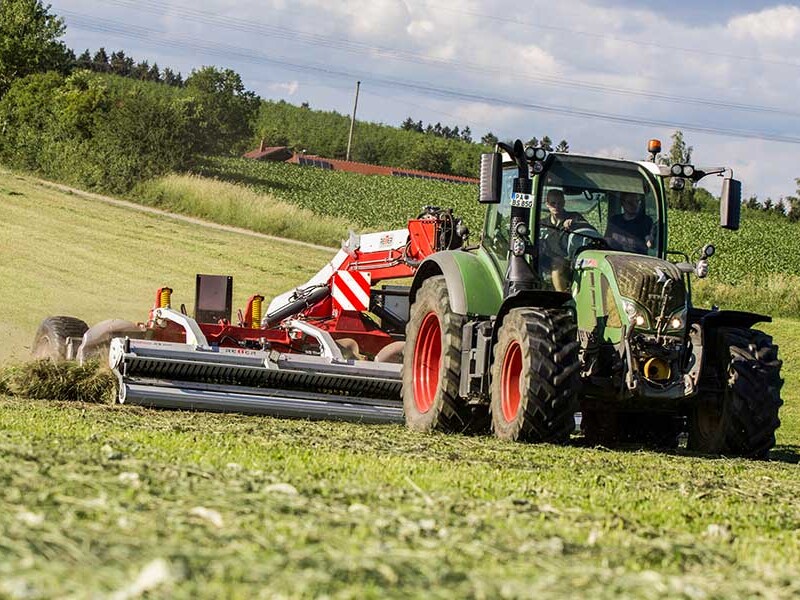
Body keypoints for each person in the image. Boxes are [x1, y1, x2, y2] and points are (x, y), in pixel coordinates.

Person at [541, 189, 590, 291]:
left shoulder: (574, 217)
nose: (556, 206)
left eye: (559, 203)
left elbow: (589, 232)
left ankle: (562, 297)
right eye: (553, 203)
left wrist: (575, 225)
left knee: (557, 263)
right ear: (547, 204)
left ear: (564, 203)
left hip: (570, 262)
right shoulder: (542, 224)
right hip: (545, 263)